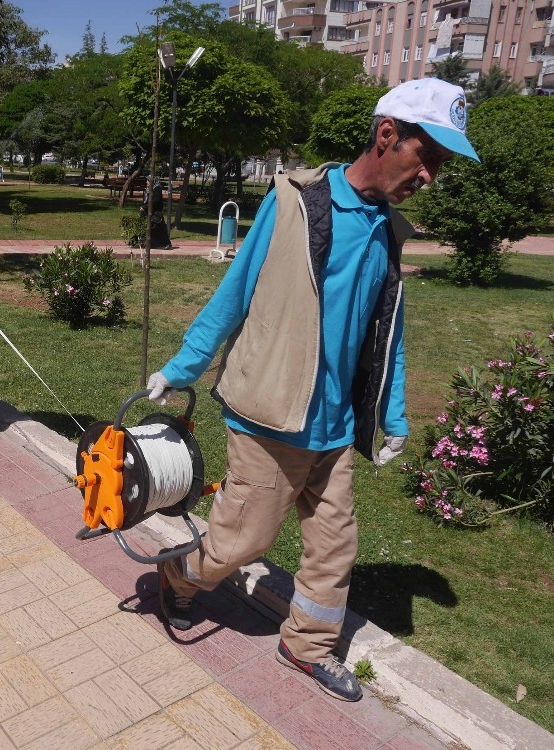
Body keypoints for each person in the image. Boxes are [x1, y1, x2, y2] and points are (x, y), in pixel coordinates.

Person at [146, 78, 479, 702]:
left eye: (440, 164)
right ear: (387, 136)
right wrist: (182, 367)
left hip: (334, 427)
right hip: (269, 417)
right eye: (427, 156)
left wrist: (394, 413)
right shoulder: (297, 201)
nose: (431, 176)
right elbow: (237, 288)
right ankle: (180, 577)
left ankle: (307, 647)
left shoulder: (386, 228)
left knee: (335, 546)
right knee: (243, 542)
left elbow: (388, 331)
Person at [140, 178, 172, 249]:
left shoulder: (157, 188)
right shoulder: (148, 189)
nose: (146, 182)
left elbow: (156, 201)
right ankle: (148, 243)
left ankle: (165, 244)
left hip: (156, 212)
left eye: (148, 180)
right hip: (148, 212)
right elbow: (146, 200)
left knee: (158, 228)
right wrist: (144, 207)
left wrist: (145, 207)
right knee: (149, 228)